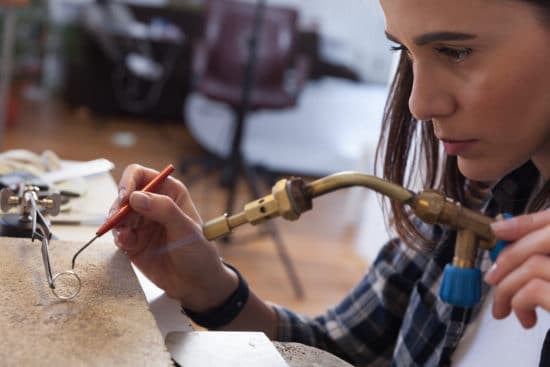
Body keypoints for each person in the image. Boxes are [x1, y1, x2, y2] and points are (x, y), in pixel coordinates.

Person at [111, 0, 550, 365]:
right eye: (405, 53)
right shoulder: (467, 205)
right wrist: (209, 286)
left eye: (456, 52)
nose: (418, 104)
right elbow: (341, 353)